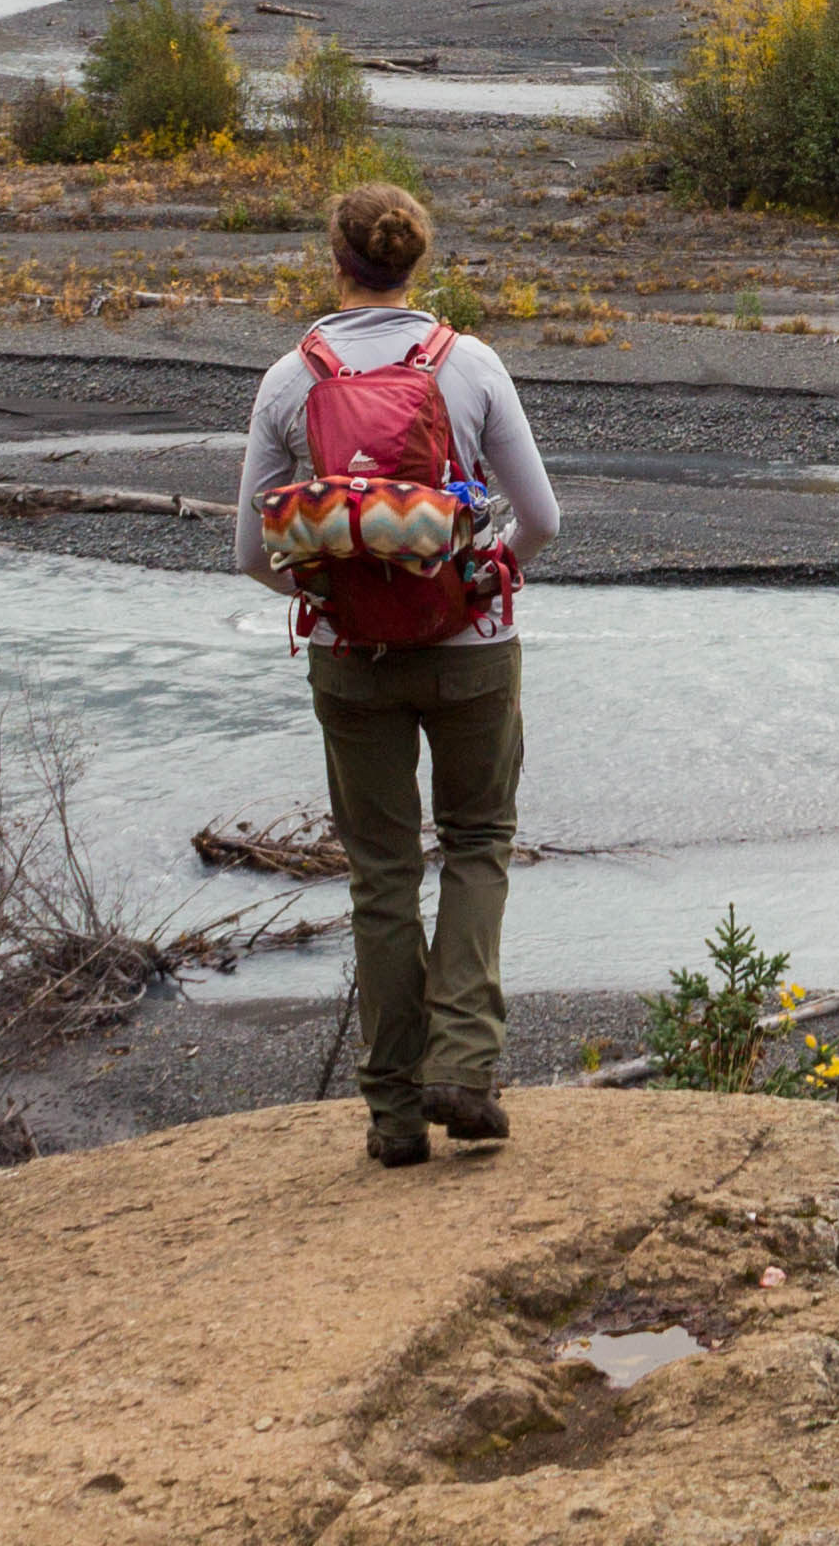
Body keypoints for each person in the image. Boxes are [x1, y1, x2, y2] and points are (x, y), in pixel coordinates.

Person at [240, 180, 559, 1166]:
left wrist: (333, 597)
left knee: (381, 879)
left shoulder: (292, 379)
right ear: (416, 261)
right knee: (477, 841)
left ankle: (390, 1117)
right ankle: (463, 1064)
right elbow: (540, 519)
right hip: (472, 652)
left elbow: (252, 553)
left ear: (337, 260)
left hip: (351, 661)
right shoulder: (470, 365)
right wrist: (481, 584)